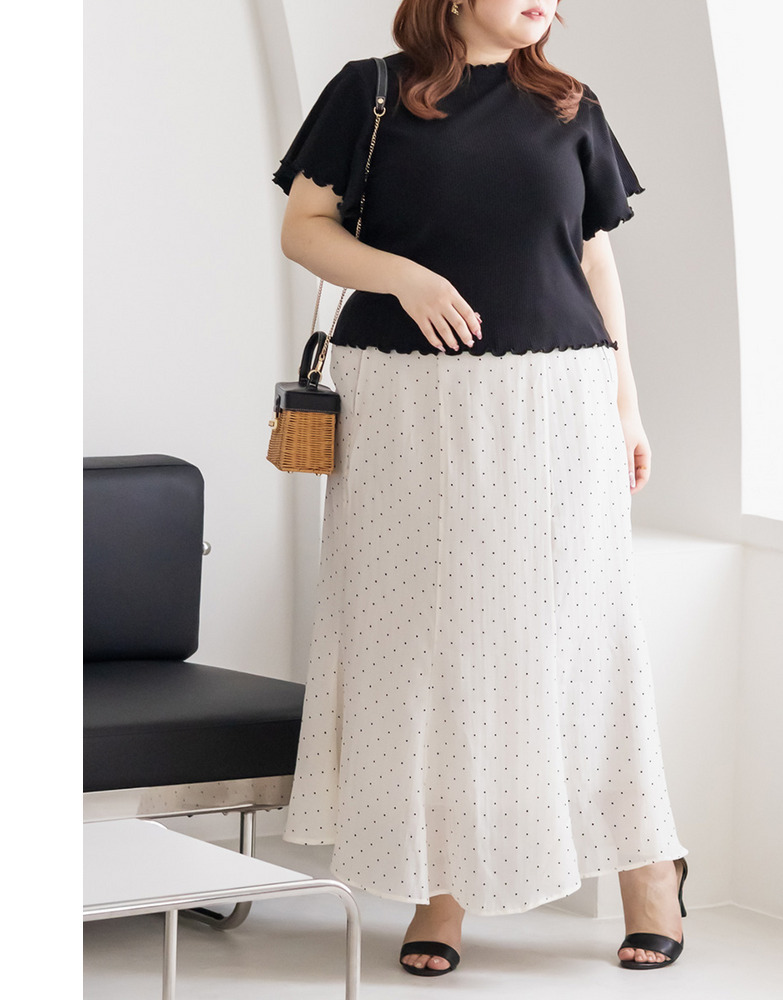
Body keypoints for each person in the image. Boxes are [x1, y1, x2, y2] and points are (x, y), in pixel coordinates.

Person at [273, 0, 688, 977]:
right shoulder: (369, 92)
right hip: (405, 405)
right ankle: (441, 887)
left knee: (584, 638)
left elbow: (593, 258)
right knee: (430, 649)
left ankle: (648, 870)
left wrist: (627, 405)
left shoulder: (571, 105)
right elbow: (304, 230)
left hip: (556, 402)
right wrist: (402, 277)